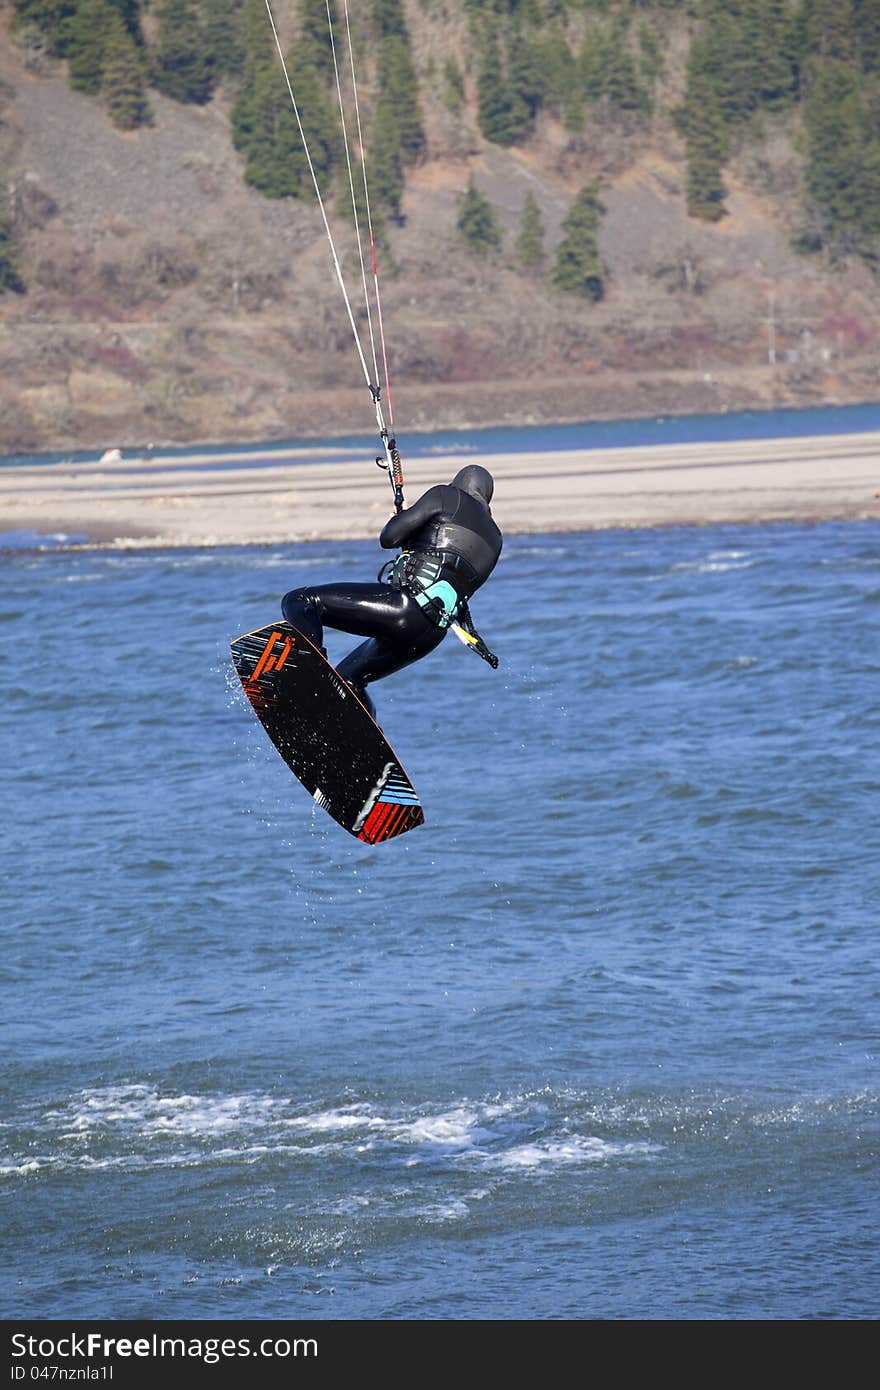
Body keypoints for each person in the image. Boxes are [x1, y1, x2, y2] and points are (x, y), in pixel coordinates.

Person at [280, 464, 502, 718]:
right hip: (431, 635)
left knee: (300, 601)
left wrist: (400, 519)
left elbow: (389, 538)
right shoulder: (496, 539)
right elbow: (450, 564)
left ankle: (312, 674)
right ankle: (362, 743)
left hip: (405, 609)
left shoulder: (446, 496)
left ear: (459, 483)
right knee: (349, 681)